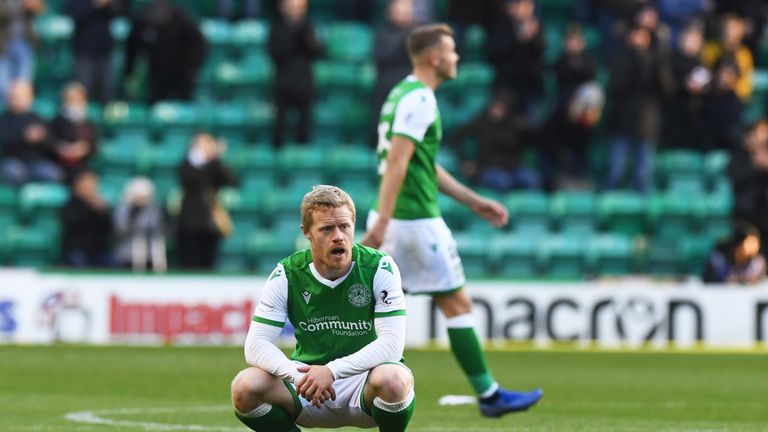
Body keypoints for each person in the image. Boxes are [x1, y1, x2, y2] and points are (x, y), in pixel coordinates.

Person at [362, 23, 543, 418]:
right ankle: (489, 395)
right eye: (453, 49)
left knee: (373, 308)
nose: (458, 57)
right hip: (413, 221)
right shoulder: (421, 99)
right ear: (435, 57)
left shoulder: (402, 93)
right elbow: (398, 161)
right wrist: (384, 224)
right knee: (456, 303)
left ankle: (336, 380)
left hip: (399, 218)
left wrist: (472, 200)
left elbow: (420, 164)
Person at [231, 185, 415, 432]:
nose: (338, 236)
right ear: (307, 232)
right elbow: (255, 345)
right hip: (306, 386)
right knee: (244, 387)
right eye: (327, 229)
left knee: (394, 380)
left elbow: (392, 344)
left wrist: (332, 370)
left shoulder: (379, 267)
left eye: (344, 227)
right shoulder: (287, 273)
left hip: (364, 383)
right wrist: (299, 376)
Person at [123, 0, 207, 104]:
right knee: (156, 104)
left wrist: (193, 67)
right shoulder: (141, 22)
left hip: (182, 71)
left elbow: (199, 43)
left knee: (182, 104)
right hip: (157, 71)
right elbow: (131, 49)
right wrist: (129, 73)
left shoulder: (182, 20)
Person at [176, 132, 238, 270]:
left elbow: (231, 180)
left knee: (208, 265)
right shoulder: (187, 165)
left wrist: (217, 159)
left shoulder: (215, 165)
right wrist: (210, 160)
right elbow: (193, 179)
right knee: (189, 265)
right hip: (190, 223)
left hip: (210, 223)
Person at [267, 0, 323, 148]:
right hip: (283, 82)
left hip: (304, 83)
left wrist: (303, 35)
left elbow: (317, 50)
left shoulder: (308, 27)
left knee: (304, 125)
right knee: (279, 125)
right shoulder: (277, 27)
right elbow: (274, 52)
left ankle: (302, 155)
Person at [0, 80, 64, 185]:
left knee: (54, 174)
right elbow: (4, 143)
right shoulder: (4, 119)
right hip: (14, 161)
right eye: (10, 96)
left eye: (16, 96)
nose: (12, 99)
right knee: (13, 172)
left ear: (29, 97)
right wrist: (24, 137)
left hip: (36, 162)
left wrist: (43, 138)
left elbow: (53, 144)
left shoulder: (38, 118)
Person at [66, 0, 127, 104]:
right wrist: (95, 4)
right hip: (84, 50)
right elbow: (74, 12)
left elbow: (121, 10)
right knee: (83, 90)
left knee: (107, 90)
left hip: (105, 51)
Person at [59, 170, 115, 268]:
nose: (90, 187)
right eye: (86, 184)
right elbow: (71, 225)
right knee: (78, 259)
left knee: (113, 261)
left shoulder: (100, 206)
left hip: (97, 250)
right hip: (76, 249)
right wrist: (88, 205)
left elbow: (109, 230)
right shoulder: (70, 205)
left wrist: (104, 213)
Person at [48, 82, 98, 182]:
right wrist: (62, 149)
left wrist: (83, 149)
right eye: (70, 100)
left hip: (82, 166)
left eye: (77, 100)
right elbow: (49, 142)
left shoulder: (89, 123)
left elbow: (95, 146)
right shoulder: (56, 122)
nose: (73, 104)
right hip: (60, 166)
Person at [114, 176, 166, 272]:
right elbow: (121, 228)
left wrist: (142, 210)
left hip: (150, 255)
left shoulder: (154, 208)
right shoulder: (123, 208)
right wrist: (134, 213)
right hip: (127, 254)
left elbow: (154, 227)